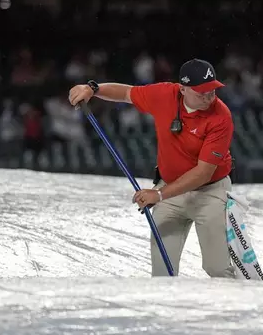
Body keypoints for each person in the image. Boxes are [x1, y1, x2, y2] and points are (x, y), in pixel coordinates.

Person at [68, 58, 236, 278]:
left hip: (209, 193)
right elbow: (127, 93)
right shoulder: (164, 95)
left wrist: (158, 194)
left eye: (212, 90)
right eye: (201, 92)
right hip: (170, 192)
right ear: (183, 89)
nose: (208, 97)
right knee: (162, 273)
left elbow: (203, 173)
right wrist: (93, 89)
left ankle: (228, 309)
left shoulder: (221, 116)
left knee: (217, 268)